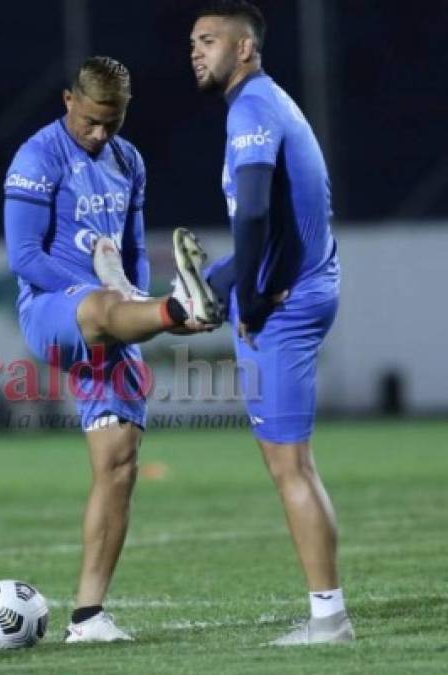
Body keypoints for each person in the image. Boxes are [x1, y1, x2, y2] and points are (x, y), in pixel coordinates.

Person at [3, 55, 220, 643]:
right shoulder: (37, 157)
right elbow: (23, 257)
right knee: (101, 309)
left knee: (119, 462)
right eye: (92, 120)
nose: (101, 133)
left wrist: (135, 296)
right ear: (69, 100)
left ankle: (88, 617)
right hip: (53, 310)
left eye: (114, 121)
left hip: (115, 309)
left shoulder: (128, 162)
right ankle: (177, 308)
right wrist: (110, 298)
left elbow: (133, 248)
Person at [188, 1, 353, 645]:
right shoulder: (268, 103)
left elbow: (253, 214)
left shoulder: (253, 109)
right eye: (192, 42)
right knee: (293, 465)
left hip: (284, 304)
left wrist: (249, 298)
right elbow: (272, 221)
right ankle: (326, 613)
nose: (196, 51)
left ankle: (329, 619)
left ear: (245, 49)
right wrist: (215, 286)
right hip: (298, 287)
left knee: (292, 468)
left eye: (208, 40)